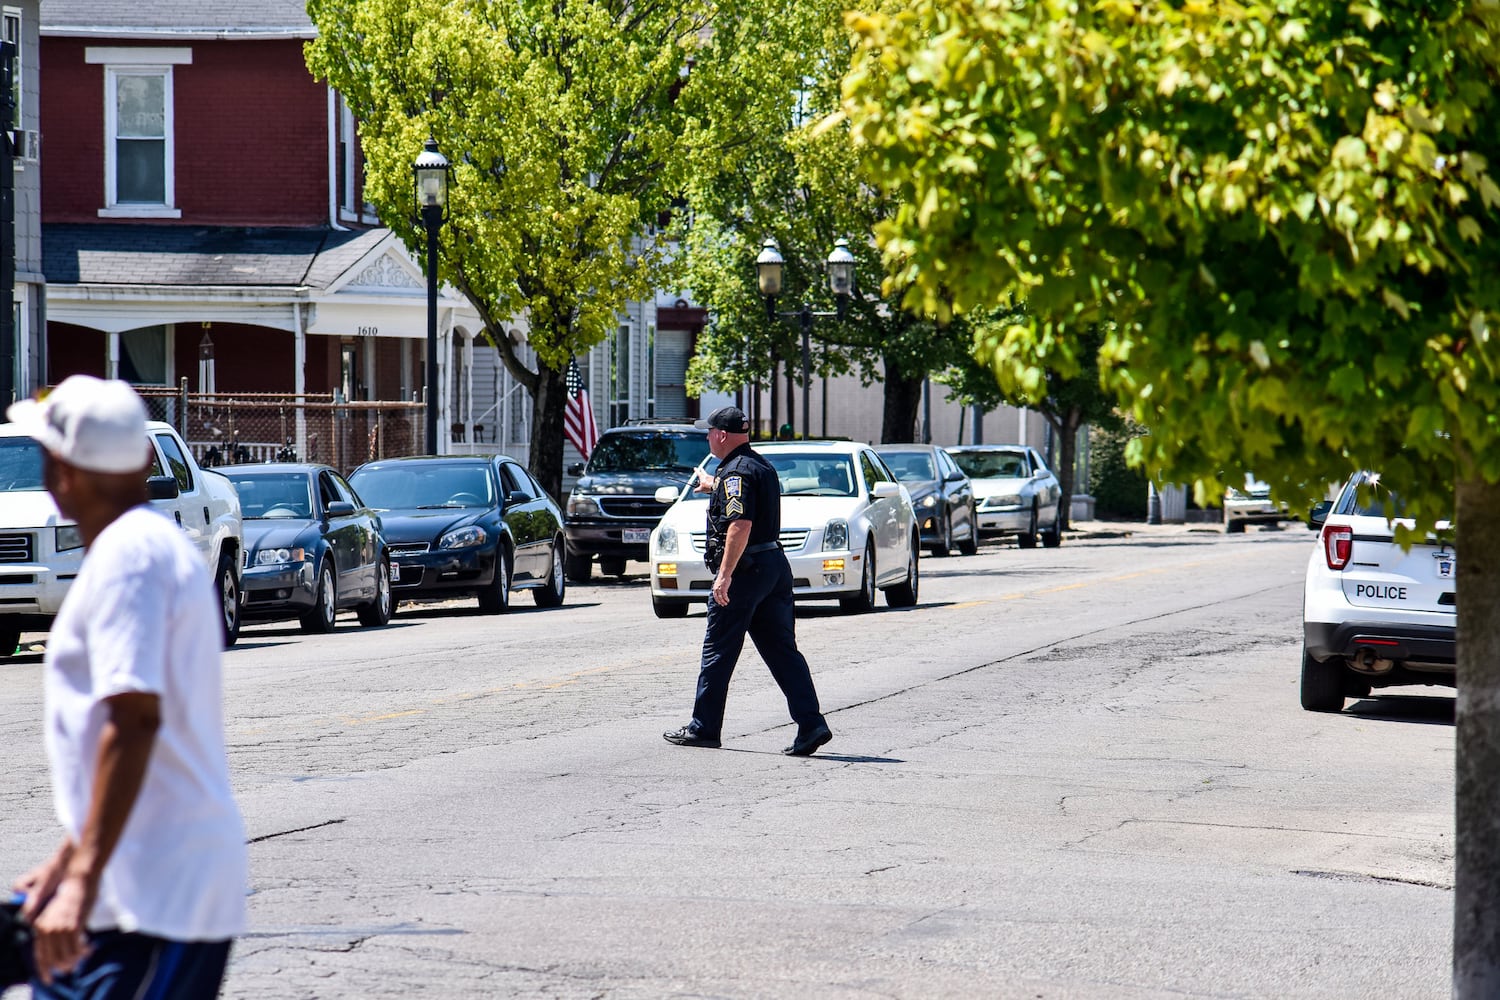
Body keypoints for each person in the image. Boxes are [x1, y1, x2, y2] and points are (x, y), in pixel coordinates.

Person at [7, 375, 247, 998]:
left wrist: (82, 876)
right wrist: (67, 863)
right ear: (143, 460)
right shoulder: (143, 547)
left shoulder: (127, 560)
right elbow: (118, 746)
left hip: (156, 896)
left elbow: (135, 722)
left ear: (63, 473)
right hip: (137, 883)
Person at [663, 406, 832, 756]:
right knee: (782, 651)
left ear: (721, 435)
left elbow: (741, 524)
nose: (707, 437)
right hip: (772, 566)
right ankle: (811, 723)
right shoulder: (757, 466)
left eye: (709, 432)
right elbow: (743, 497)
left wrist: (724, 576)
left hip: (745, 570)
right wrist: (714, 486)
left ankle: (704, 727)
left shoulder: (734, 474)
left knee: (719, 650)